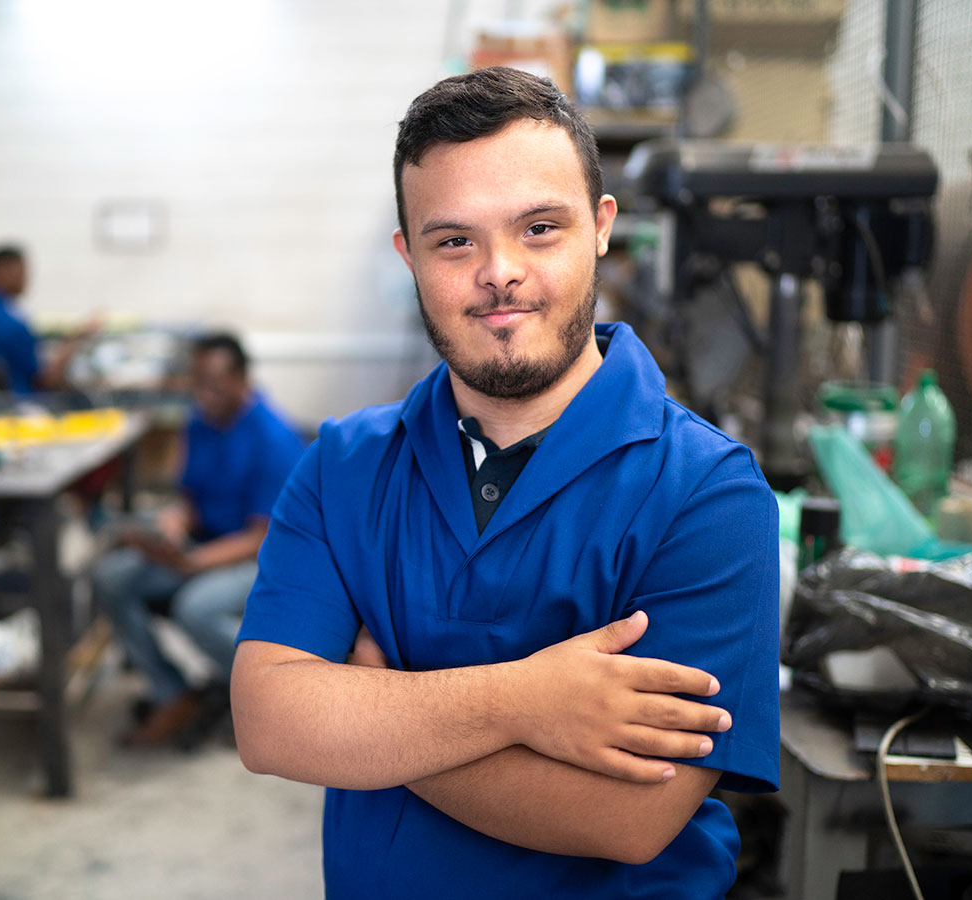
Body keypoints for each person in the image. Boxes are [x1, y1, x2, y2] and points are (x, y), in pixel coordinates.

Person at [232, 67, 780, 898]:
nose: (500, 272)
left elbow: (629, 820)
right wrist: (525, 700)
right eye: (454, 240)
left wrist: (375, 711)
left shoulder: (707, 494)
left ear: (601, 228)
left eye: (538, 228)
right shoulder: (343, 467)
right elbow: (271, 723)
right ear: (408, 254)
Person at [94, 333, 305, 747]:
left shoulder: (273, 439)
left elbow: (260, 538)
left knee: (197, 607)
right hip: (204, 545)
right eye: (197, 381)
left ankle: (271, 699)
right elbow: (190, 496)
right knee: (111, 577)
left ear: (242, 378)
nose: (203, 393)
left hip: (265, 559)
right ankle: (170, 691)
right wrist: (175, 523)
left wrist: (194, 563)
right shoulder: (199, 421)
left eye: (214, 382)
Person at [0, 244, 89, 395]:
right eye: (22, 271)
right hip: (19, 404)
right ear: (0, 271)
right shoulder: (10, 323)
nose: (26, 278)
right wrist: (72, 345)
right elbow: (46, 381)